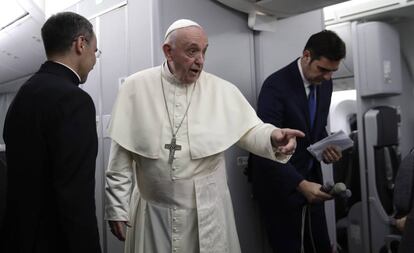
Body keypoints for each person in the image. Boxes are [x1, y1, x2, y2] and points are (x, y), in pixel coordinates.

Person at [104, 19, 304, 253]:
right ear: (168, 51)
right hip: (153, 214)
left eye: (204, 51)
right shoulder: (135, 87)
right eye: (192, 51)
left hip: (207, 214)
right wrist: (117, 207)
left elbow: (250, 129)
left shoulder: (222, 90)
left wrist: (273, 136)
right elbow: (121, 155)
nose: (200, 60)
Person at [0, 12, 101, 253]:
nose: (95, 60)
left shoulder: (22, 95)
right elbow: (76, 197)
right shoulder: (75, 101)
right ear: (80, 44)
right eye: (95, 51)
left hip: (18, 237)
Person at [249, 30, 346, 253]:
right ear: (306, 55)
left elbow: (314, 127)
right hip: (281, 185)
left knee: (320, 245)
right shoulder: (276, 86)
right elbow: (265, 145)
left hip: (312, 179)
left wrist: (326, 147)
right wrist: (299, 184)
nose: (328, 77)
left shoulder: (325, 84)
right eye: (322, 69)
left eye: (333, 72)